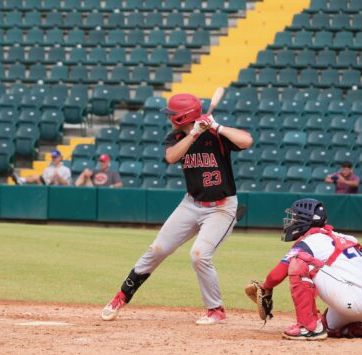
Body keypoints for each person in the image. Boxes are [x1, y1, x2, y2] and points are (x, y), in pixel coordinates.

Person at [101, 93, 253, 325]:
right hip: (191, 204)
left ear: (183, 117)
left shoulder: (216, 135)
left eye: (173, 115)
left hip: (221, 208)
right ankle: (121, 296)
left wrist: (217, 126)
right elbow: (171, 157)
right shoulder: (176, 137)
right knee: (158, 249)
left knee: (199, 255)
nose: (169, 118)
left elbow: (246, 140)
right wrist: (193, 133)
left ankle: (216, 310)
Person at [254, 198, 362, 340]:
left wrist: (265, 287)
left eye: (295, 217)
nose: (292, 221)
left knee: (298, 262)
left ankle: (307, 327)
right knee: (328, 326)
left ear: (305, 220)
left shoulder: (308, 242)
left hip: (352, 300)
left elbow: (276, 276)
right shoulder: (345, 237)